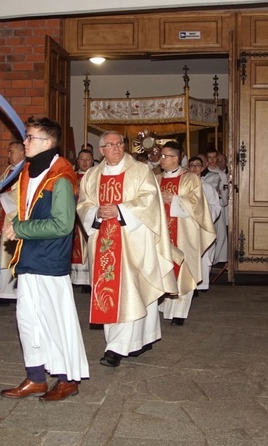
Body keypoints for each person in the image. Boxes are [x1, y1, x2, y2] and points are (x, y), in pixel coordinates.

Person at [0, 117, 89, 402]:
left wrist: (21, 228)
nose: (24, 142)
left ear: (48, 143)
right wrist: (13, 221)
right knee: (28, 319)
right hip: (29, 256)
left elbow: (62, 225)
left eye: (30, 138)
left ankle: (67, 379)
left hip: (50, 260)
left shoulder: (61, 177)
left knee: (55, 320)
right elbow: (26, 209)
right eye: (26, 137)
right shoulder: (29, 171)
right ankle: (36, 377)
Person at [77, 131, 177, 368]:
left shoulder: (140, 171)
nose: (116, 148)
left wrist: (120, 210)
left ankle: (135, 340)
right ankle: (120, 345)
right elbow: (83, 205)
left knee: (136, 290)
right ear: (101, 150)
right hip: (104, 241)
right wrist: (96, 213)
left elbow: (150, 200)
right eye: (110, 145)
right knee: (113, 292)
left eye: (119, 143)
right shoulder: (92, 176)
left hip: (134, 240)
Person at [157, 143, 215, 326]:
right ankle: (167, 307)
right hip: (161, 232)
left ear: (174, 158)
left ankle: (180, 312)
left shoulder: (191, 179)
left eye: (165, 156)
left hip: (183, 232)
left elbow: (198, 205)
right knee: (164, 266)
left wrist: (175, 199)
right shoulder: (156, 178)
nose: (161, 159)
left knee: (182, 267)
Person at [0, 140, 25, 305]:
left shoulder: (25, 171)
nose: (8, 154)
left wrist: (2, 197)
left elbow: (21, 194)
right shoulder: (8, 171)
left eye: (11, 151)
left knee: (9, 254)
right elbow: (0, 188)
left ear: (21, 152)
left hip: (13, 217)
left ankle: (10, 293)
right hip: (2, 215)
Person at [187, 156, 222, 293]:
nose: (194, 168)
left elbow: (216, 206)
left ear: (202, 168)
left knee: (204, 256)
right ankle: (191, 284)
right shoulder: (185, 185)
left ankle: (202, 283)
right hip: (188, 227)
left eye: (197, 165)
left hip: (204, 226)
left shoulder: (207, 187)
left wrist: (204, 215)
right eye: (191, 165)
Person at [70, 149, 94, 291]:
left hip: (88, 215)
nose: (85, 162)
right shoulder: (71, 176)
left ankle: (87, 280)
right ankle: (74, 278)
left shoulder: (96, 176)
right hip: (73, 215)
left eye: (88, 159)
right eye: (82, 159)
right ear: (77, 161)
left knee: (89, 246)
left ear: (92, 161)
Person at [205, 147, 229, 265]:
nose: (213, 160)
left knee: (221, 234)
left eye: (214, 157)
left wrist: (222, 202)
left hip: (218, 205)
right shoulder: (203, 172)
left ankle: (217, 258)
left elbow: (224, 190)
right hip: (206, 206)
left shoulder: (221, 173)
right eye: (210, 158)